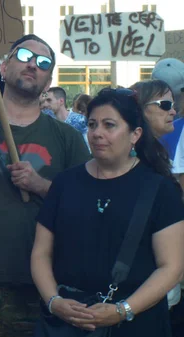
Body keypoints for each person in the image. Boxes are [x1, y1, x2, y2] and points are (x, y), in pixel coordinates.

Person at [0, 34, 90, 336]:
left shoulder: (67, 137)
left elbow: (84, 202)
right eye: (23, 56)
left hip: (42, 284)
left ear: (48, 82)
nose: (33, 64)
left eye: (43, 62)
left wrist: (41, 186)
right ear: (4, 68)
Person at [31, 88, 184, 337]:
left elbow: (172, 267)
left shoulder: (160, 189)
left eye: (109, 125)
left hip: (136, 325)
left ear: (135, 134)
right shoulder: (65, 183)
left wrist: (123, 310)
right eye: (92, 125)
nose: (97, 133)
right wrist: (54, 301)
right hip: (66, 323)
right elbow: (41, 252)